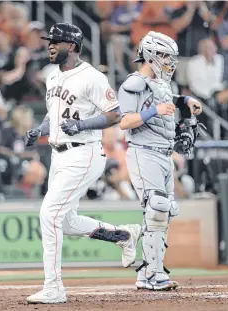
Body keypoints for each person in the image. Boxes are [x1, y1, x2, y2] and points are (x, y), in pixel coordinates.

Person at [23, 23, 141, 304]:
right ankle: (123, 235)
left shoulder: (92, 77)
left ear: (73, 47)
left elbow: (114, 115)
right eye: (49, 41)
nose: (50, 45)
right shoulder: (52, 76)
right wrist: (39, 130)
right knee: (66, 221)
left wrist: (83, 124)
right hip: (58, 155)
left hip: (83, 153)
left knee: (49, 214)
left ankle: (54, 287)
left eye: (57, 41)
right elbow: (53, 115)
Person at [118, 31, 202, 291]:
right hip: (144, 152)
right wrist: (155, 111)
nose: (169, 62)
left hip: (163, 153)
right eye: (165, 56)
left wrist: (186, 100)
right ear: (152, 54)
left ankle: (147, 272)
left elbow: (167, 99)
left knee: (165, 212)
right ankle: (154, 274)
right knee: (157, 208)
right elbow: (124, 121)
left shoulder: (161, 84)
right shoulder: (134, 83)